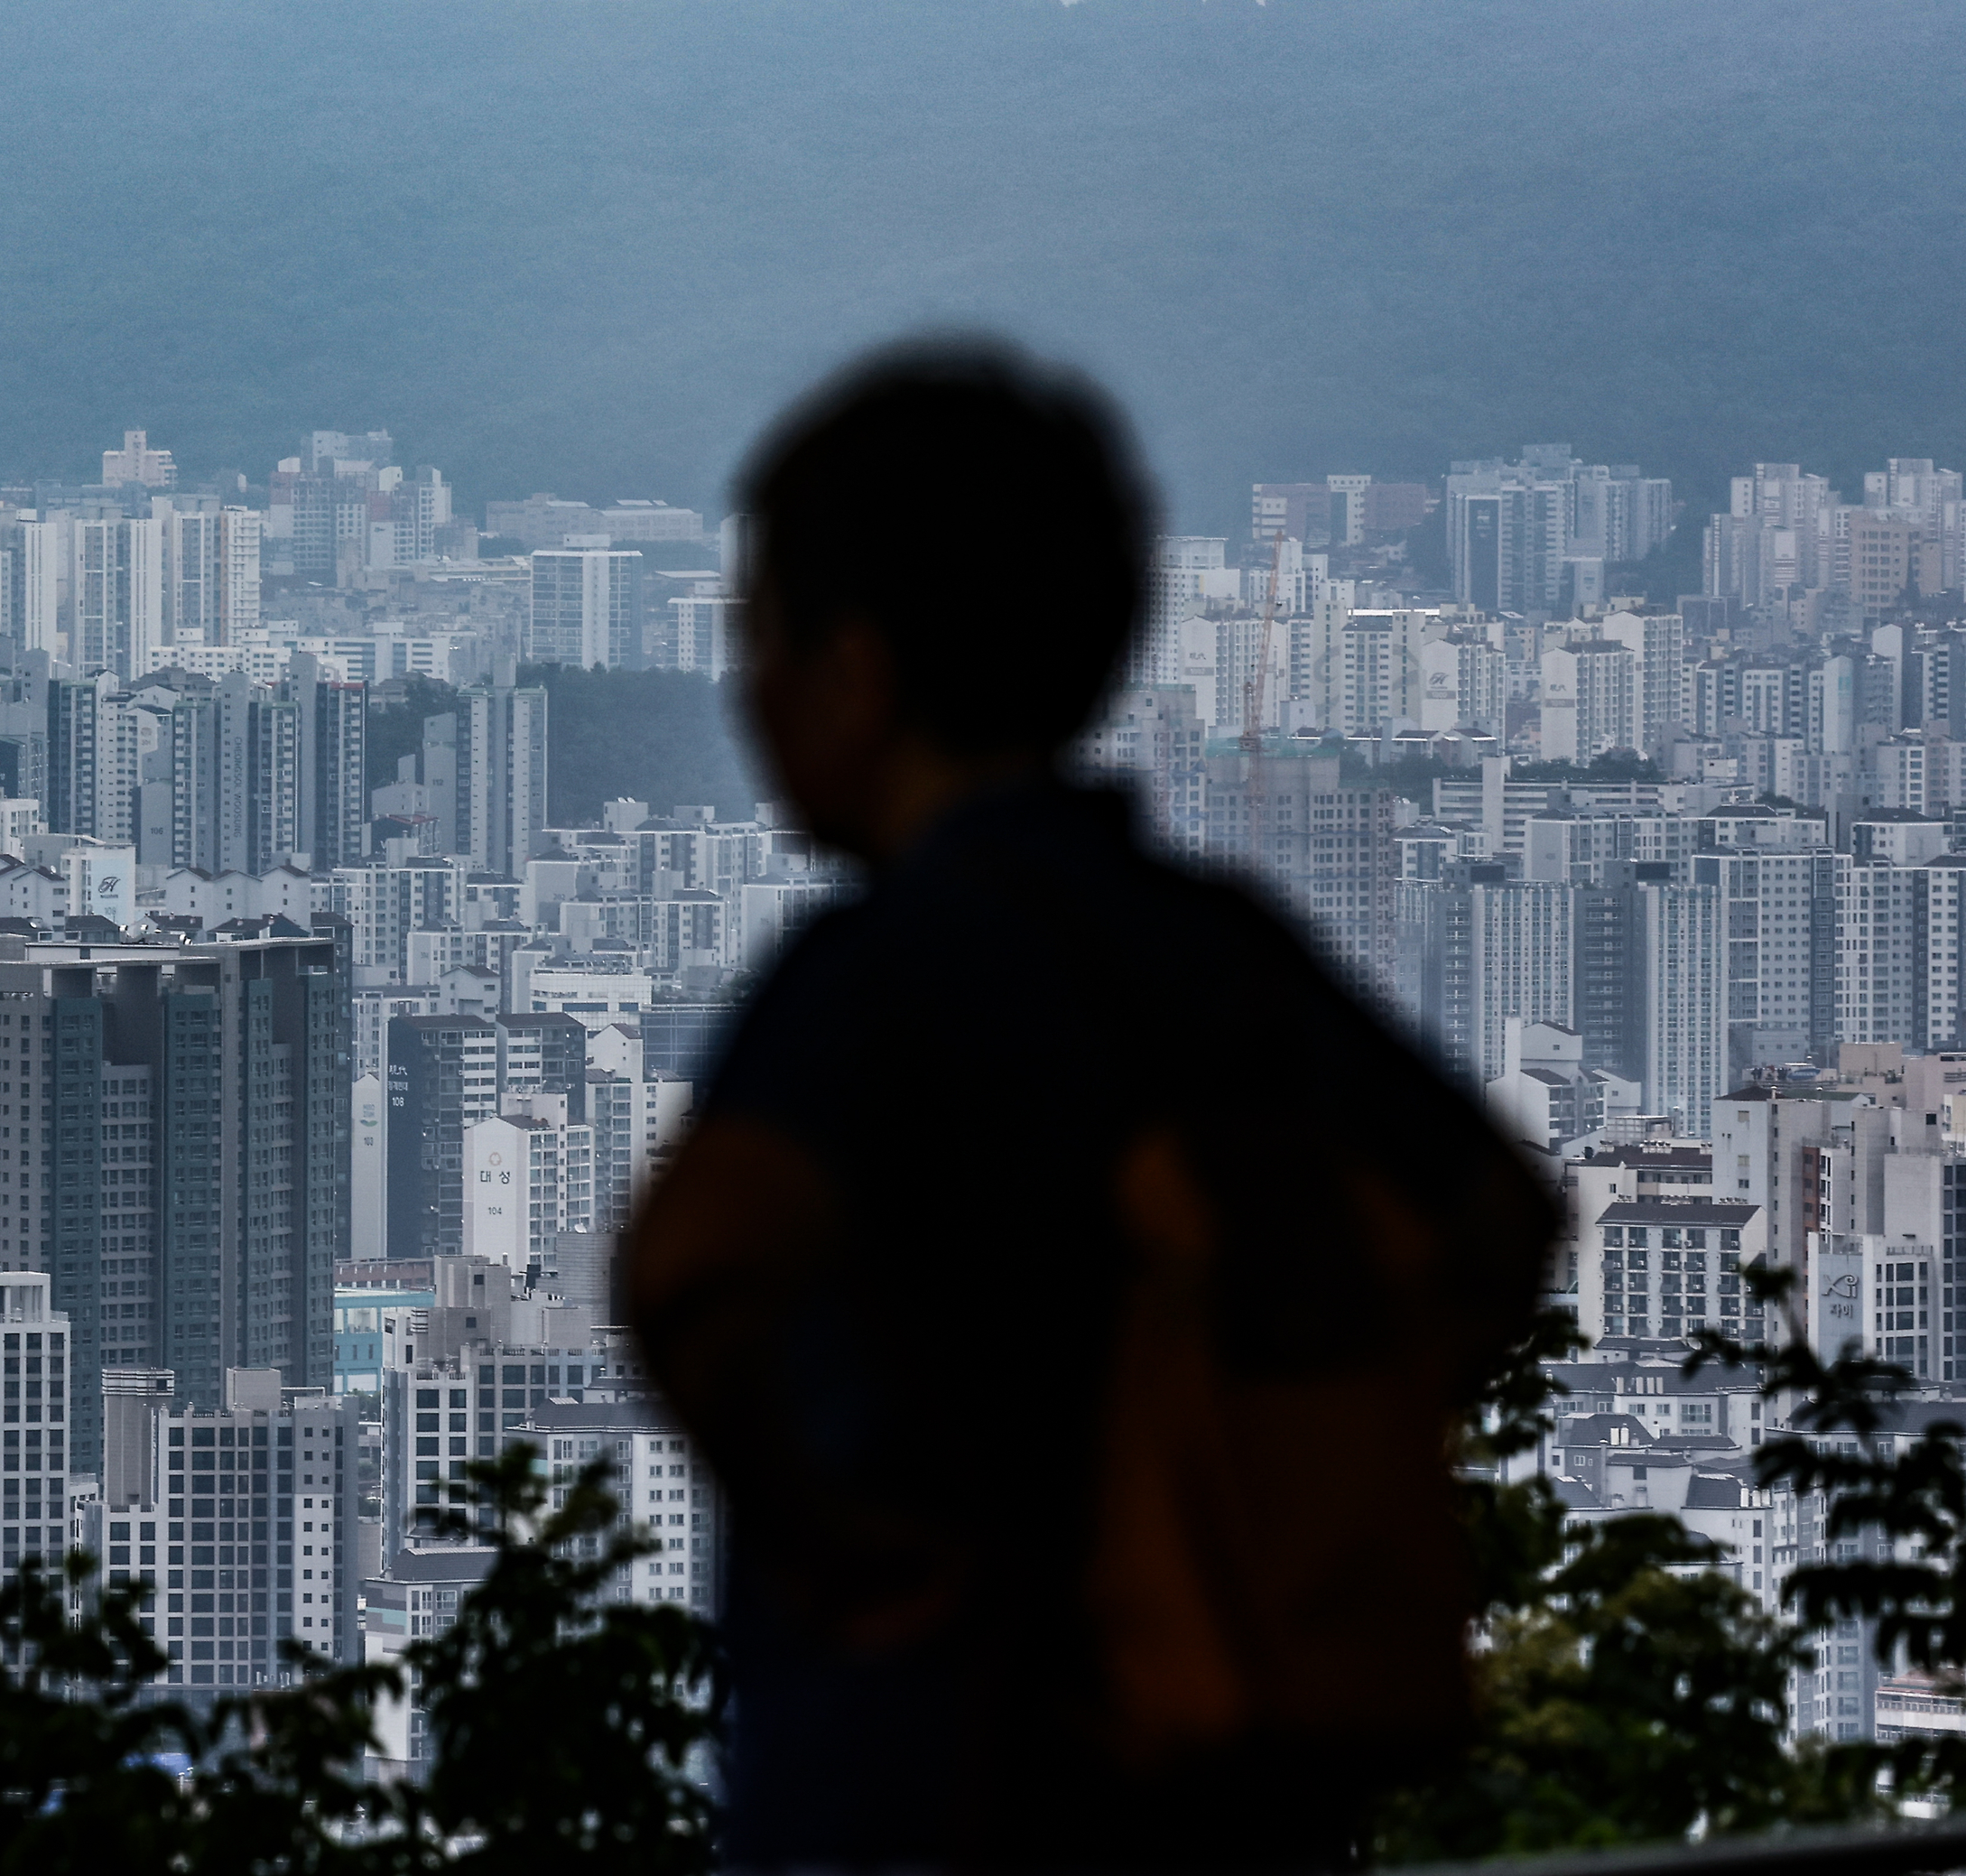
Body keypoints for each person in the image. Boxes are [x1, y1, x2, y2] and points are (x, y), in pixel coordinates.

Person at [622, 340, 1554, 1872]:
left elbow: (693, 1266)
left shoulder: (882, 970)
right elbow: (1499, 1220)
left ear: (856, 676)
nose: (748, 694)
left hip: (927, 1778)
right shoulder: (1216, 946)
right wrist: (1266, 1442)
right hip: (1227, 1780)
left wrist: (836, 1532)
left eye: (760, 639)